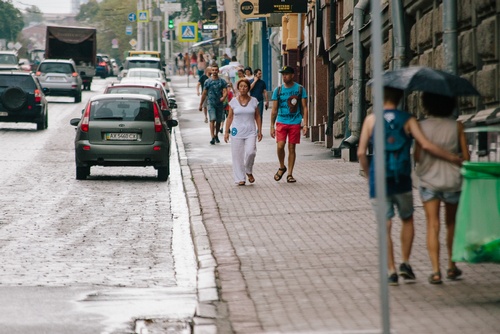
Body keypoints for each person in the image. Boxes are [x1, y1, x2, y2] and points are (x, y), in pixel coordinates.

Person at [356, 87, 463, 286]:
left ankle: (391, 271)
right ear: (399, 98)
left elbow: (361, 152)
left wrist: (368, 175)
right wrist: (452, 158)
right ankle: (405, 262)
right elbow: (427, 146)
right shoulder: (408, 119)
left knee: (385, 225)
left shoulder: (371, 120)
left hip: (379, 179)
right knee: (407, 219)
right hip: (402, 178)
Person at [414, 92, 470, 284]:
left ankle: (436, 270)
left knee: (432, 224)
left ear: (427, 104)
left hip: (429, 181)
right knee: (451, 224)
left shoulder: (421, 127)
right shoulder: (457, 126)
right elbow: (467, 158)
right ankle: (452, 266)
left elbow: (417, 156)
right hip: (453, 181)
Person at [270, 66, 308, 183]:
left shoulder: (300, 89)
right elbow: (274, 109)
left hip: (295, 122)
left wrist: (305, 124)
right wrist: (272, 126)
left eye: (286, 74)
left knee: (292, 148)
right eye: (283, 74)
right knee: (280, 146)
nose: (284, 76)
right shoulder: (278, 90)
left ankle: (290, 174)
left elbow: (304, 107)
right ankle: (282, 166)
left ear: (292, 75)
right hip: (281, 122)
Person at [224, 78, 263, 185]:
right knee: (237, 156)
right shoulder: (233, 102)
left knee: (251, 152)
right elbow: (230, 117)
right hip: (237, 132)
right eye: (241, 86)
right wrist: (226, 131)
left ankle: (248, 170)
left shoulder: (254, 101)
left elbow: (258, 116)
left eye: (245, 86)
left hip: (251, 132)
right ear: (238, 88)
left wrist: (259, 130)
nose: (243, 88)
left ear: (248, 88)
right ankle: (240, 178)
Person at [199, 64, 228, 145]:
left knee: (218, 121)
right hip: (211, 103)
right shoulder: (207, 82)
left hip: (219, 103)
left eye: (216, 70)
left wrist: (223, 97)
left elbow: (225, 91)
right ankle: (212, 137)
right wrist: (201, 104)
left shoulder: (222, 81)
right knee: (212, 119)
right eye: (213, 70)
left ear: (218, 71)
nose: (214, 71)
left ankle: (216, 135)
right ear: (211, 71)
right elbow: (204, 93)